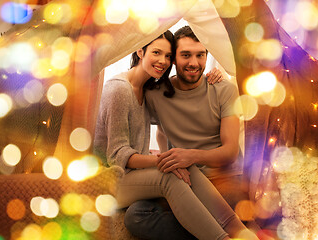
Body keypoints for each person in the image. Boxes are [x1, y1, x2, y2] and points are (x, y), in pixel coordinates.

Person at [93, 30, 257, 240]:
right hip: (109, 179)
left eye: (167, 56)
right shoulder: (125, 90)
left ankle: (241, 233)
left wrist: (221, 77)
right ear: (140, 51)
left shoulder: (148, 90)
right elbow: (117, 154)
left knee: (182, 163)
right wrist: (164, 159)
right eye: (156, 53)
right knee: (159, 188)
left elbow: (227, 150)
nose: (162, 61)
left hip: (215, 180)